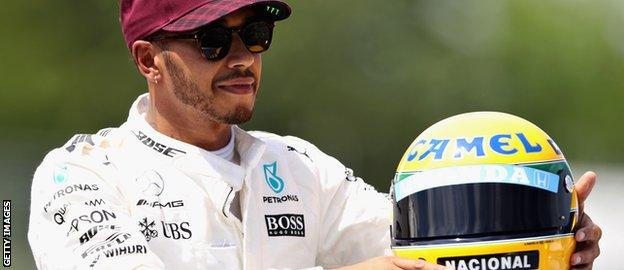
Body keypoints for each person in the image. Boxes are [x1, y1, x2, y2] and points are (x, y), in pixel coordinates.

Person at [27, 0, 602, 269]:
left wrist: (542, 237)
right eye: (211, 40)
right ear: (148, 59)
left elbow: (429, 257)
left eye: (254, 34)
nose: (240, 57)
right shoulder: (78, 176)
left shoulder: (300, 166)